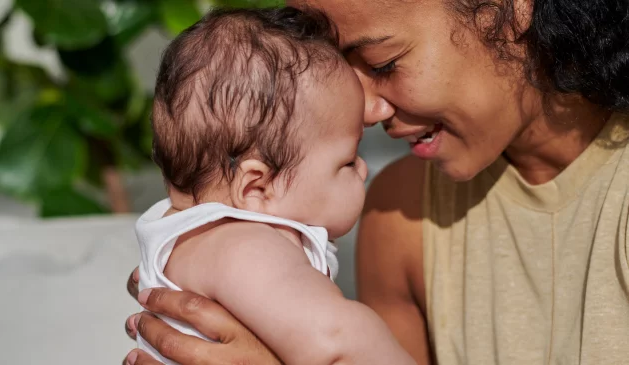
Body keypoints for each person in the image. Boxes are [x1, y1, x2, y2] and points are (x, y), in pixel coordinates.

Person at [124, 0, 629, 364]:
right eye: (339, 68)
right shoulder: (400, 211)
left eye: (384, 62)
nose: (367, 109)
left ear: (514, 9)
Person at [133, 6, 417, 365]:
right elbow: (336, 339)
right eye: (347, 161)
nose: (363, 170)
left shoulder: (202, 239)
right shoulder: (243, 246)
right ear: (257, 188)